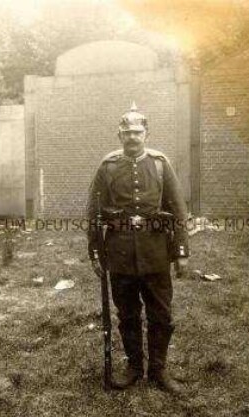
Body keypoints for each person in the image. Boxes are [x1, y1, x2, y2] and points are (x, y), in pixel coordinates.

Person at [87, 103, 189, 394]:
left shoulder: (159, 164)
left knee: (161, 314)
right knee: (128, 314)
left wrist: (181, 253)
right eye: (126, 132)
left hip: (156, 251)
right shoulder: (107, 167)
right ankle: (134, 367)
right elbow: (93, 212)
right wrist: (95, 253)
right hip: (118, 254)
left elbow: (178, 209)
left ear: (146, 134)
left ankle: (158, 370)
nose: (132, 137)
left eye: (137, 132)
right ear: (119, 135)